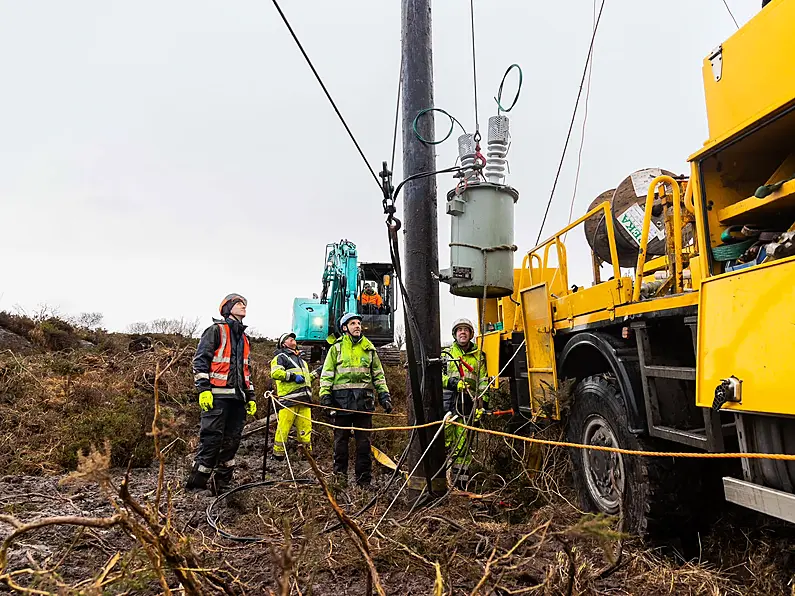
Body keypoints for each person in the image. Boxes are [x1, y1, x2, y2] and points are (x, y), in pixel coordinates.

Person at [186, 293, 257, 494]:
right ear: (227, 308)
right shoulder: (215, 331)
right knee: (211, 441)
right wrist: (203, 390)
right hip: (217, 397)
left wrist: (250, 397)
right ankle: (196, 486)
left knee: (231, 443)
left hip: (237, 399)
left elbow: (246, 370)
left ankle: (222, 485)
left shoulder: (244, 338)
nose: (244, 306)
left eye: (245, 303)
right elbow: (200, 361)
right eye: (239, 303)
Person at [320, 312, 392, 487]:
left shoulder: (369, 348)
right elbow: (327, 375)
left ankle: (364, 482)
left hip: (364, 404)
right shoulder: (335, 349)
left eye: (359, 323)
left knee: (364, 445)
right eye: (353, 323)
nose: (357, 326)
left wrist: (384, 396)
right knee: (340, 444)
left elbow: (378, 375)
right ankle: (339, 481)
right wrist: (325, 397)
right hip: (341, 403)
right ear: (345, 328)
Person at [442, 318, 489, 489]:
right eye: (459, 329)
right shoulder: (446, 354)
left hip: (467, 407)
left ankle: (460, 485)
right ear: (455, 334)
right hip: (448, 406)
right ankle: (440, 480)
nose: (463, 332)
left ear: (470, 334)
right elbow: (438, 377)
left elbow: (483, 383)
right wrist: (454, 383)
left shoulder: (479, 357)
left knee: (462, 448)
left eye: (466, 330)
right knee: (444, 442)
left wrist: (483, 407)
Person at [270, 332, 316, 460]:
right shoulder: (281, 357)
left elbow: (306, 379)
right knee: (283, 428)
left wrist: (316, 374)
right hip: (289, 400)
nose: (293, 339)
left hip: (305, 400)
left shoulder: (301, 360)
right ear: (283, 344)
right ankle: (278, 455)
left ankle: (306, 455)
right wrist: (293, 377)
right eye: (289, 338)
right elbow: (276, 373)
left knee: (306, 429)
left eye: (293, 338)